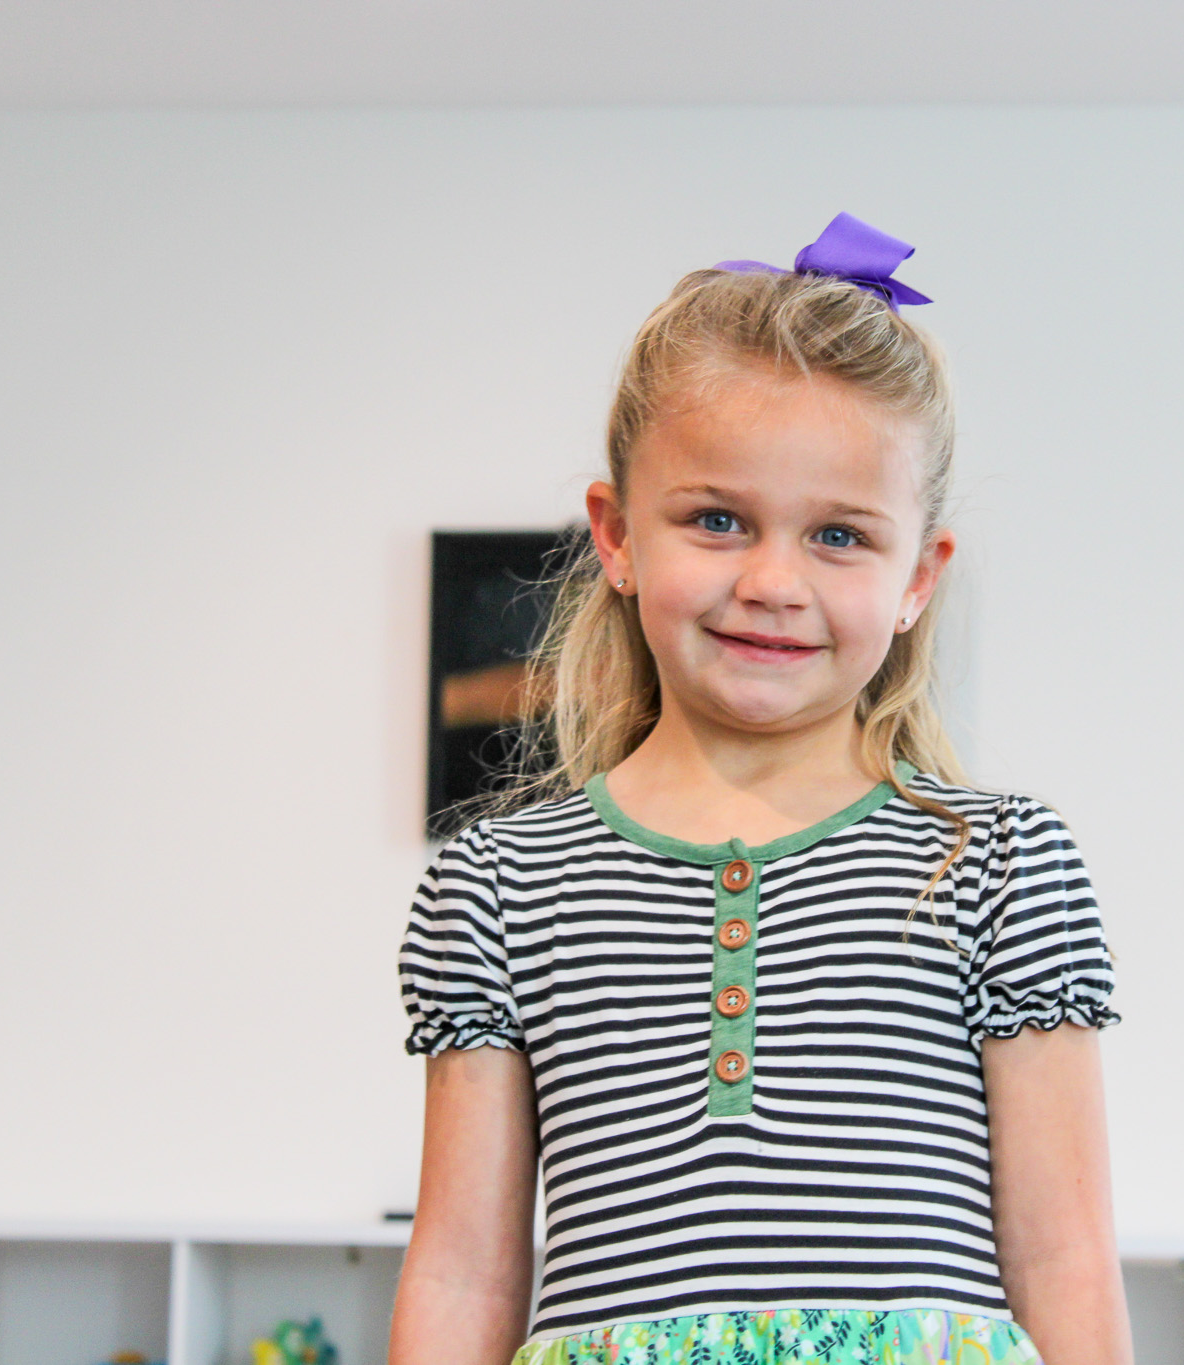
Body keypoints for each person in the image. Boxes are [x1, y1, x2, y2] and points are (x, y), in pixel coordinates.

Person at [391, 214, 1134, 1365]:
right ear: (617, 535)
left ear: (914, 581)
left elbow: (1065, 1259)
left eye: (838, 534)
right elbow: (462, 1271)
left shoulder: (999, 860)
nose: (772, 582)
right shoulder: (495, 883)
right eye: (717, 520)